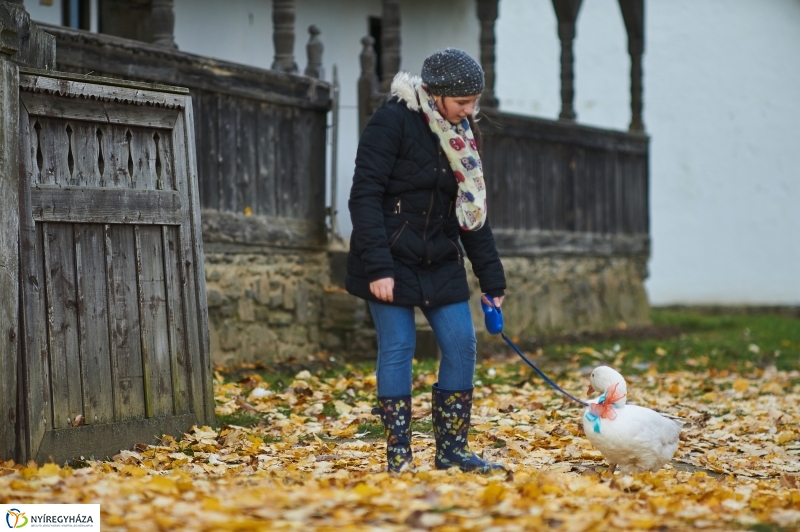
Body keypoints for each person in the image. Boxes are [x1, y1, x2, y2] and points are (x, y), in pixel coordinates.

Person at [346, 48, 506, 474]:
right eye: (462, 103)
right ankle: (399, 453)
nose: (470, 111)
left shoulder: (462, 133)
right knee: (399, 347)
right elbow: (364, 197)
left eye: (474, 101)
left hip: (440, 256)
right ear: (435, 95)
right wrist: (378, 268)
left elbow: (472, 213)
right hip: (389, 256)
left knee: (461, 343)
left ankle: (452, 450)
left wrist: (492, 281)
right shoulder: (391, 122)